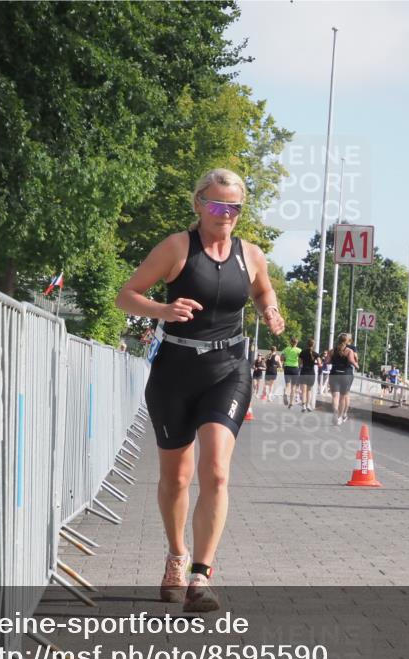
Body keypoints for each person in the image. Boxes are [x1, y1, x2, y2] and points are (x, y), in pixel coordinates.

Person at [115, 168, 285, 611]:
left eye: (233, 208)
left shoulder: (251, 254)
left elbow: (264, 291)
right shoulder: (176, 248)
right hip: (174, 369)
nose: (224, 214)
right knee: (177, 477)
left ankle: (201, 575)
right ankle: (176, 555)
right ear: (199, 204)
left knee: (217, 471)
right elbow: (127, 295)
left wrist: (271, 311)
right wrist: (163, 308)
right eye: (216, 205)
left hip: (229, 367)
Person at [326, 333, 359, 425]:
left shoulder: (332, 351)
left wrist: (331, 359)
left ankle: (335, 411)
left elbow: (327, 361)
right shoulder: (349, 351)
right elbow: (352, 361)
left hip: (334, 374)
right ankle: (340, 417)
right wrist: (357, 366)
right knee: (342, 398)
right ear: (346, 341)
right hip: (346, 375)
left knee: (335, 396)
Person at [297, 338, 320, 412]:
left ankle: (303, 406)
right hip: (311, 373)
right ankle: (308, 405)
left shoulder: (302, 352)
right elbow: (320, 364)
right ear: (314, 345)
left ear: (307, 344)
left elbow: (299, 363)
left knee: (303, 390)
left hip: (304, 372)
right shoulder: (316, 354)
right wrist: (315, 363)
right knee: (309, 390)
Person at [280, 336, 302, 408]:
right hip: (295, 368)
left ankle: (285, 394)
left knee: (287, 385)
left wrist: (285, 360)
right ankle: (291, 403)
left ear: (290, 342)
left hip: (287, 367)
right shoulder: (299, 350)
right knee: (293, 387)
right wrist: (299, 364)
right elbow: (300, 359)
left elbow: (281, 357)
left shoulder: (286, 349)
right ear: (296, 343)